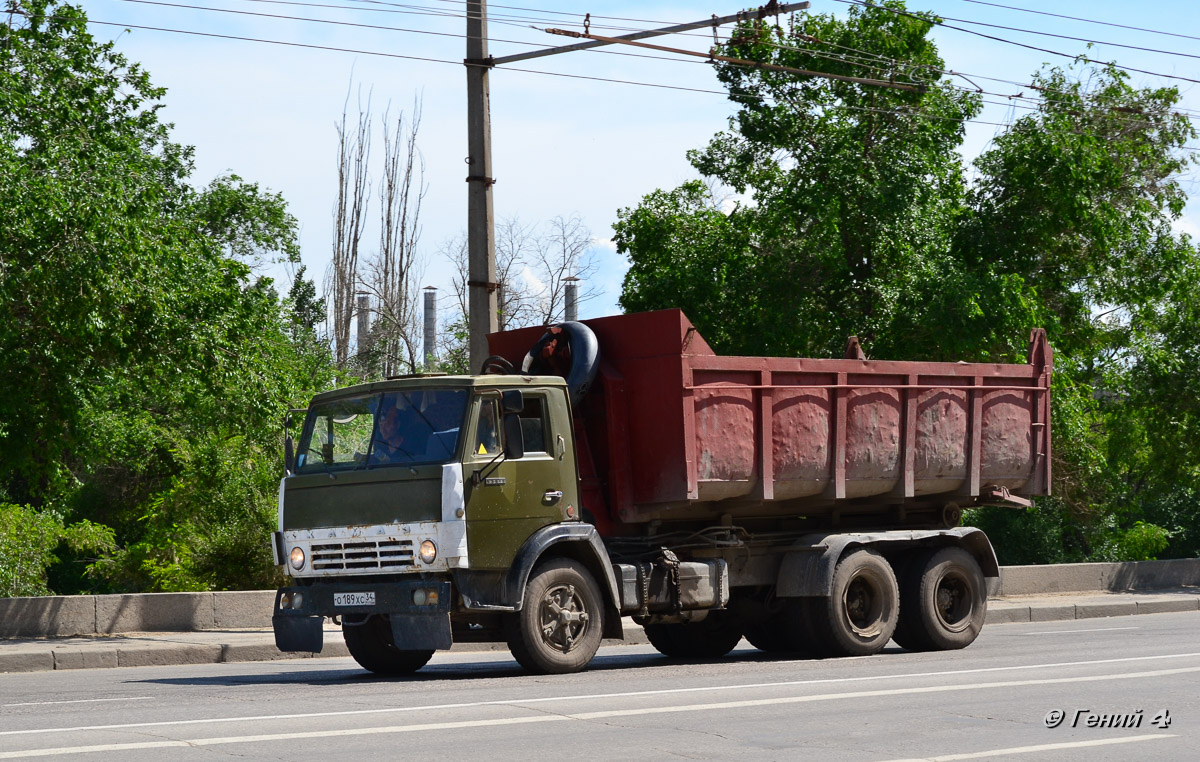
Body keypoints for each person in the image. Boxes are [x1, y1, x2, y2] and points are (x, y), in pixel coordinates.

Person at [370, 397, 413, 465]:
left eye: (387, 424)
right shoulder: (381, 451)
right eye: (381, 426)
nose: (383, 429)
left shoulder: (410, 449)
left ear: (397, 424)